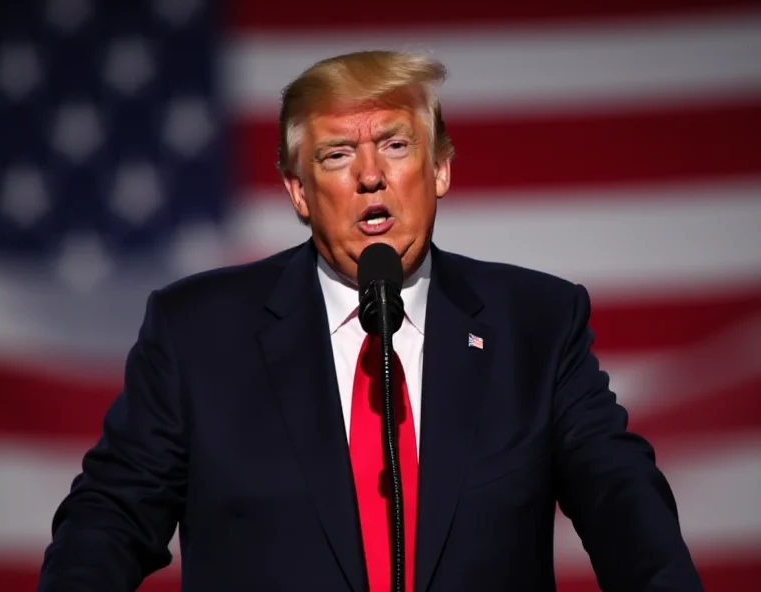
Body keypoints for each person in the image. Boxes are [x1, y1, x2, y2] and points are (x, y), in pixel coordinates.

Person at [38, 50, 703, 591]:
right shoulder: (197, 334)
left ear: (440, 167)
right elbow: (113, 516)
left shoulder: (535, 325)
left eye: (394, 144)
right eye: (335, 155)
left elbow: (620, 497)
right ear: (298, 191)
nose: (369, 176)